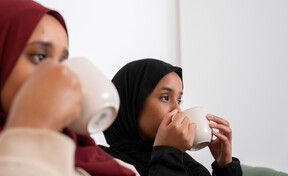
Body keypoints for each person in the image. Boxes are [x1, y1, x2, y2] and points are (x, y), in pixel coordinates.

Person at [0, 0, 138, 176]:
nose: (58, 74)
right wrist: (32, 131)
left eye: (63, 61)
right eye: (39, 56)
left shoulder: (88, 154)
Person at [100, 58, 242, 176]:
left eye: (179, 100)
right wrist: (168, 154)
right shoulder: (103, 163)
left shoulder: (185, 162)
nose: (178, 109)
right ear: (132, 103)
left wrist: (225, 166)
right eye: (165, 97)